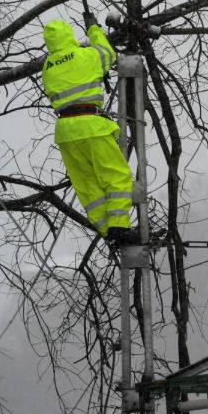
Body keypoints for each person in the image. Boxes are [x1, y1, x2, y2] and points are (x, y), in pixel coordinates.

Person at [41, 13, 135, 244]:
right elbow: (107, 53)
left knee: (88, 188)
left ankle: (110, 232)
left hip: (65, 132)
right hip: (90, 125)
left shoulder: (47, 67)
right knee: (116, 177)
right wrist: (93, 29)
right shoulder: (85, 56)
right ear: (69, 35)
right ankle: (119, 226)